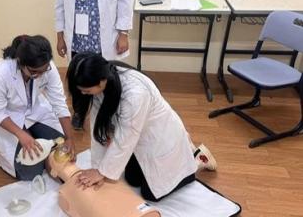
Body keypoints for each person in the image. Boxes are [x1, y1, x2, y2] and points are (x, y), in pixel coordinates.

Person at [66, 53, 216, 202]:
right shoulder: (101, 80)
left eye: (86, 90)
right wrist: (98, 168)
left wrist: (101, 172)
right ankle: (185, 158)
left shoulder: (135, 94)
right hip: (139, 137)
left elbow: (125, 138)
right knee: (131, 179)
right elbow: (98, 129)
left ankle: (196, 158)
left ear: (101, 81)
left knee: (151, 194)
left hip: (162, 138)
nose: (82, 93)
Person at [54, 0, 134, 129]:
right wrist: (60, 36)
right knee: (79, 76)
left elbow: (125, 0)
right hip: (78, 38)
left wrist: (123, 33)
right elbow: (59, 4)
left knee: (106, 77)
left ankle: (109, 115)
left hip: (103, 37)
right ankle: (80, 113)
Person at [0, 35, 76, 181]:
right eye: (34, 72)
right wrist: (21, 134)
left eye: (43, 71)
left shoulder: (48, 67)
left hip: (36, 111)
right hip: (10, 118)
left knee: (62, 149)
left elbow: (59, 102)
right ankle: (32, 142)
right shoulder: (0, 72)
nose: (40, 74)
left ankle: (40, 145)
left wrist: (70, 138)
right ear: (20, 62)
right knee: (31, 172)